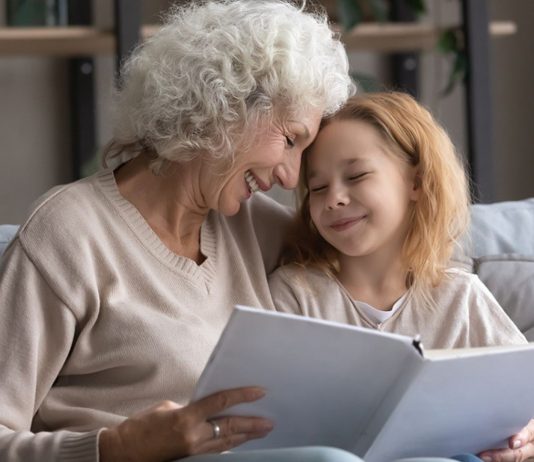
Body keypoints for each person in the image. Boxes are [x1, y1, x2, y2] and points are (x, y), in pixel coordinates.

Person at [0, 1, 357, 461]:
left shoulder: (260, 229)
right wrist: (116, 447)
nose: (291, 177)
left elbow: (384, 285)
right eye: (289, 140)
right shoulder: (67, 233)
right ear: (224, 105)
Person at [268, 92, 534, 461]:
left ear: (417, 182)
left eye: (356, 175)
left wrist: (524, 438)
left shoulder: (461, 298)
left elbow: (522, 400)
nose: (334, 199)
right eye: (318, 188)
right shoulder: (295, 295)